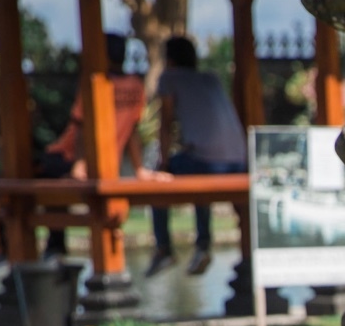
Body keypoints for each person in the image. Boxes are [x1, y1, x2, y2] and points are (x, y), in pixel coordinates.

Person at [38, 32, 147, 258]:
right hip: (101, 163)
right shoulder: (136, 86)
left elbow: (81, 128)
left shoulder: (96, 82)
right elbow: (133, 132)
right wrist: (139, 169)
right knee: (48, 183)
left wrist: (79, 164)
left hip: (68, 156)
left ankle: (47, 244)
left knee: (16, 177)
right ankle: (55, 244)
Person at [147, 36, 246, 277]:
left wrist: (163, 161)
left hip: (207, 161)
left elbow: (165, 122)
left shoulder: (169, 78)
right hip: (239, 160)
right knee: (198, 170)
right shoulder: (211, 79)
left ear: (169, 60)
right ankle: (202, 245)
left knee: (157, 182)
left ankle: (164, 248)